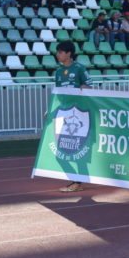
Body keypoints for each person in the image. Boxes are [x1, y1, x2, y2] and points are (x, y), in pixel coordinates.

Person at [53, 40, 93, 193]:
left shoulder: (79, 68)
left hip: (79, 114)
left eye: (60, 52)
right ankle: (78, 180)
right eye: (57, 52)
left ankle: (77, 182)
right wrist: (51, 110)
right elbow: (58, 94)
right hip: (64, 114)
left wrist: (84, 87)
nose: (57, 55)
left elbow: (90, 86)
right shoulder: (58, 72)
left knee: (77, 149)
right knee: (60, 152)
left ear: (69, 53)